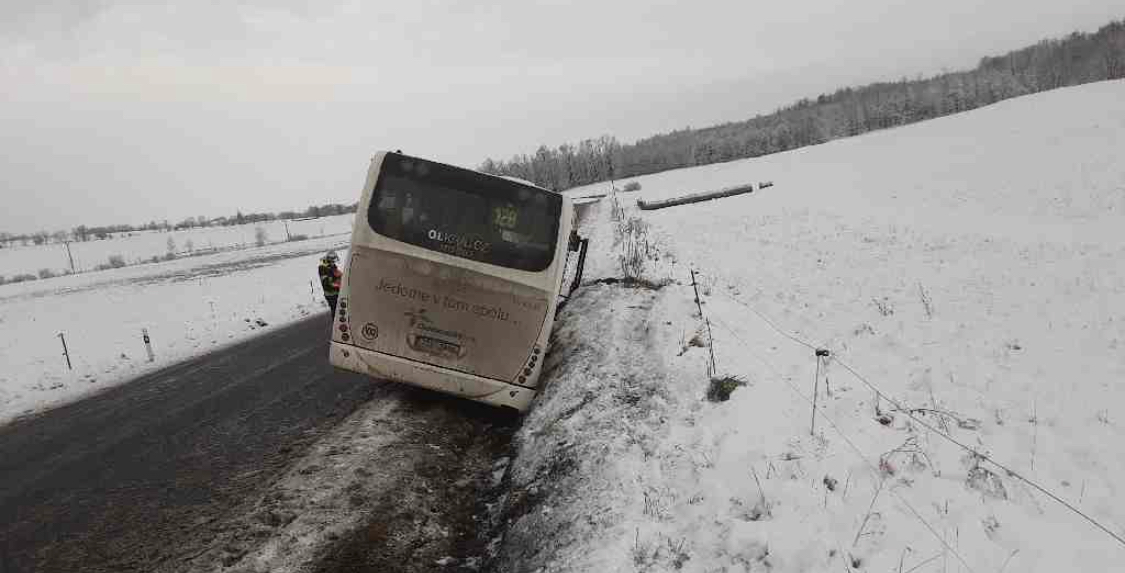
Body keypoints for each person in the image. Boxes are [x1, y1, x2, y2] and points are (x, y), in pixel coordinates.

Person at [318, 251, 342, 316]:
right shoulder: (322, 269)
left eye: (334, 261)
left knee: (341, 311)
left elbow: (338, 274)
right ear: (329, 260)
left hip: (336, 293)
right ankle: (335, 324)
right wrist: (339, 286)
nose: (334, 263)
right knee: (335, 312)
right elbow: (327, 285)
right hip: (331, 295)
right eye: (333, 261)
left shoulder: (332, 266)